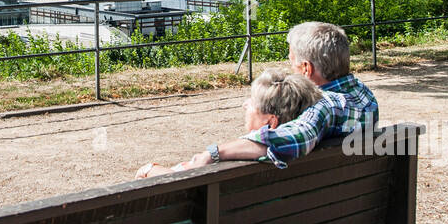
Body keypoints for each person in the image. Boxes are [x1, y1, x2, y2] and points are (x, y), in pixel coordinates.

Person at [166, 21, 377, 173]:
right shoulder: (365, 97)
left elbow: (297, 138)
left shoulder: (326, 106)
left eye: (291, 63)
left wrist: (213, 153)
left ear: (306, 69)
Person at [136, 68, 320, 178]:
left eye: (252, 102)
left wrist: (149, 169)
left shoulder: (234, 159)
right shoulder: (309, 148)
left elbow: (180, 184)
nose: (244, 104)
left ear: (271, 121)